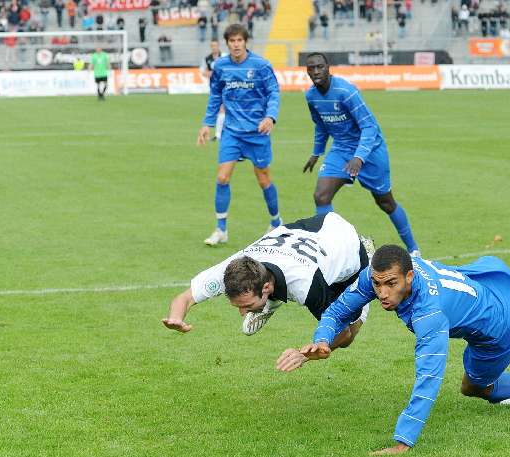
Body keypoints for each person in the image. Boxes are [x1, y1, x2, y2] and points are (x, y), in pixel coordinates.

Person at [276, 245, 510, 455]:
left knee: (473, 387)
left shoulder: (428, 314)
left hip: (496, 328)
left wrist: (404, 439)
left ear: (410, 277)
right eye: (377, 284)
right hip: (489, 287)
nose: (382, 292)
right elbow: (340, 309)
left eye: (391, 284)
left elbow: (429, 377)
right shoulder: (382, 276)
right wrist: (323, 339)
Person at [163, 212, 372, 345]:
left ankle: (369, 256)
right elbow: (184, 298)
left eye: (246, 305)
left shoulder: (306, 284)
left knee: (350, 330)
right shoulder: (233, 268)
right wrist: (176, 318)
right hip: (305, 232)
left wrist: (304, 354)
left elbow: (342, 334)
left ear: (265, 287)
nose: (241, 312)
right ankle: (269, 303)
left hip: (347, 250)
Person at [302, 52, 421, 256]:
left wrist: (359, 157)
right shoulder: (311, 96)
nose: (315, 71)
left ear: (328, 67)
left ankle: (414, 249)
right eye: (311, 68)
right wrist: (316, 152)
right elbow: (320, 125)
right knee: (321, 195)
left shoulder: (346, 91)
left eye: (319, 67)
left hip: (371, 149)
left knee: (385, 202)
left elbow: (369, 126)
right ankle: (334, 251)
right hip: (341, 148)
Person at [198, 24, 282, 247]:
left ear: (246, 42)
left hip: (257, 132)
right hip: (232, 132)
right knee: (222, 177)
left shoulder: (261, 65)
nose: (236, 44)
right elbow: (215, 95)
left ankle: (276, 222)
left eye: (239, 40)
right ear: (227, 43)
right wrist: (207, 123)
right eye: (232, 41)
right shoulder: (221, 66)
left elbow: (273, 92)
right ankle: (221, 229)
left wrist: (270, 117)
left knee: (263, 179)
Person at [202, 39, 225, 141]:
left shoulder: (224, 56)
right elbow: (203, 71)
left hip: (226, 86)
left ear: (218, 46)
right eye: (212, 46)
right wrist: (209, 74)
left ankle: (219, 134)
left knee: (222, 109)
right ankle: (219, 134)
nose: (214, 47)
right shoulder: (207, 59)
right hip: (214, 87)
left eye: (216, 45)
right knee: (219, 109)